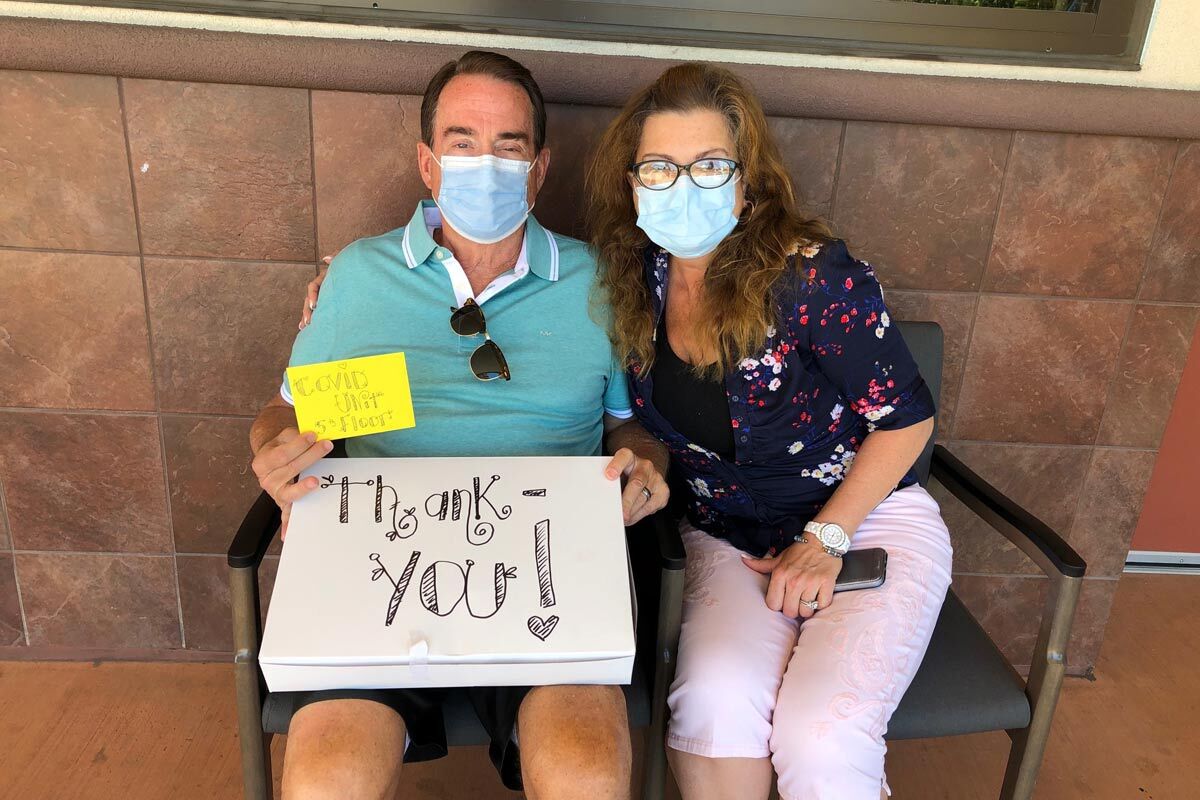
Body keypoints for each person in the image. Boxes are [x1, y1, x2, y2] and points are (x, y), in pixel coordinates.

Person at [250, 50, 668, 800]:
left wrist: (644, 465)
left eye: (509, 146)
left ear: (540, 168)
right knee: (324, 783)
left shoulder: (598, 284)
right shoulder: (358, 277)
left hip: (550, 580)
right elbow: (289, 413)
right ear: (427, 161)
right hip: (375, 575)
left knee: (588, 777)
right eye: (462, 141)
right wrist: (274, 453)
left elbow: (626, 430)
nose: (487, 162)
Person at [584, 63, 954, 800]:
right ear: (631, 183)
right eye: (659, 166)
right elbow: (628, 413)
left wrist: (825, 541)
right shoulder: (632, 278)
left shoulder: (813, 278)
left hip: (867, 522)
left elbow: (907, 419)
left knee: (820, 735)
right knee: (715, 711)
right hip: (728, 535)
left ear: (747, 182)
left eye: (710, 165)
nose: (682, 185)